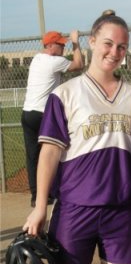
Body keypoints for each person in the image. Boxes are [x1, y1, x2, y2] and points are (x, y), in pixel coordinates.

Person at [22, 11, 131, 264]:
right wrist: (41, 205)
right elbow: (49, 154)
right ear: (92, 42)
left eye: (121, 46)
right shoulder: (66, 93)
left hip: (122, 207)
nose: (114, 52)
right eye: (108, 43)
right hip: (76, 207)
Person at [21, 30, 84, 208]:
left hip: (27, 114)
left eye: (64, 44)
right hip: (43, 115)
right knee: (57, 151)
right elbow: (79, 64)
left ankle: (37, 196)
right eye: (60, 44)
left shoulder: (36, 58)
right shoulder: (54, 61)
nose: (63, 47)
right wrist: (75, 43)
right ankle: (59, 189)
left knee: (33, 156)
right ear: (49, 46)